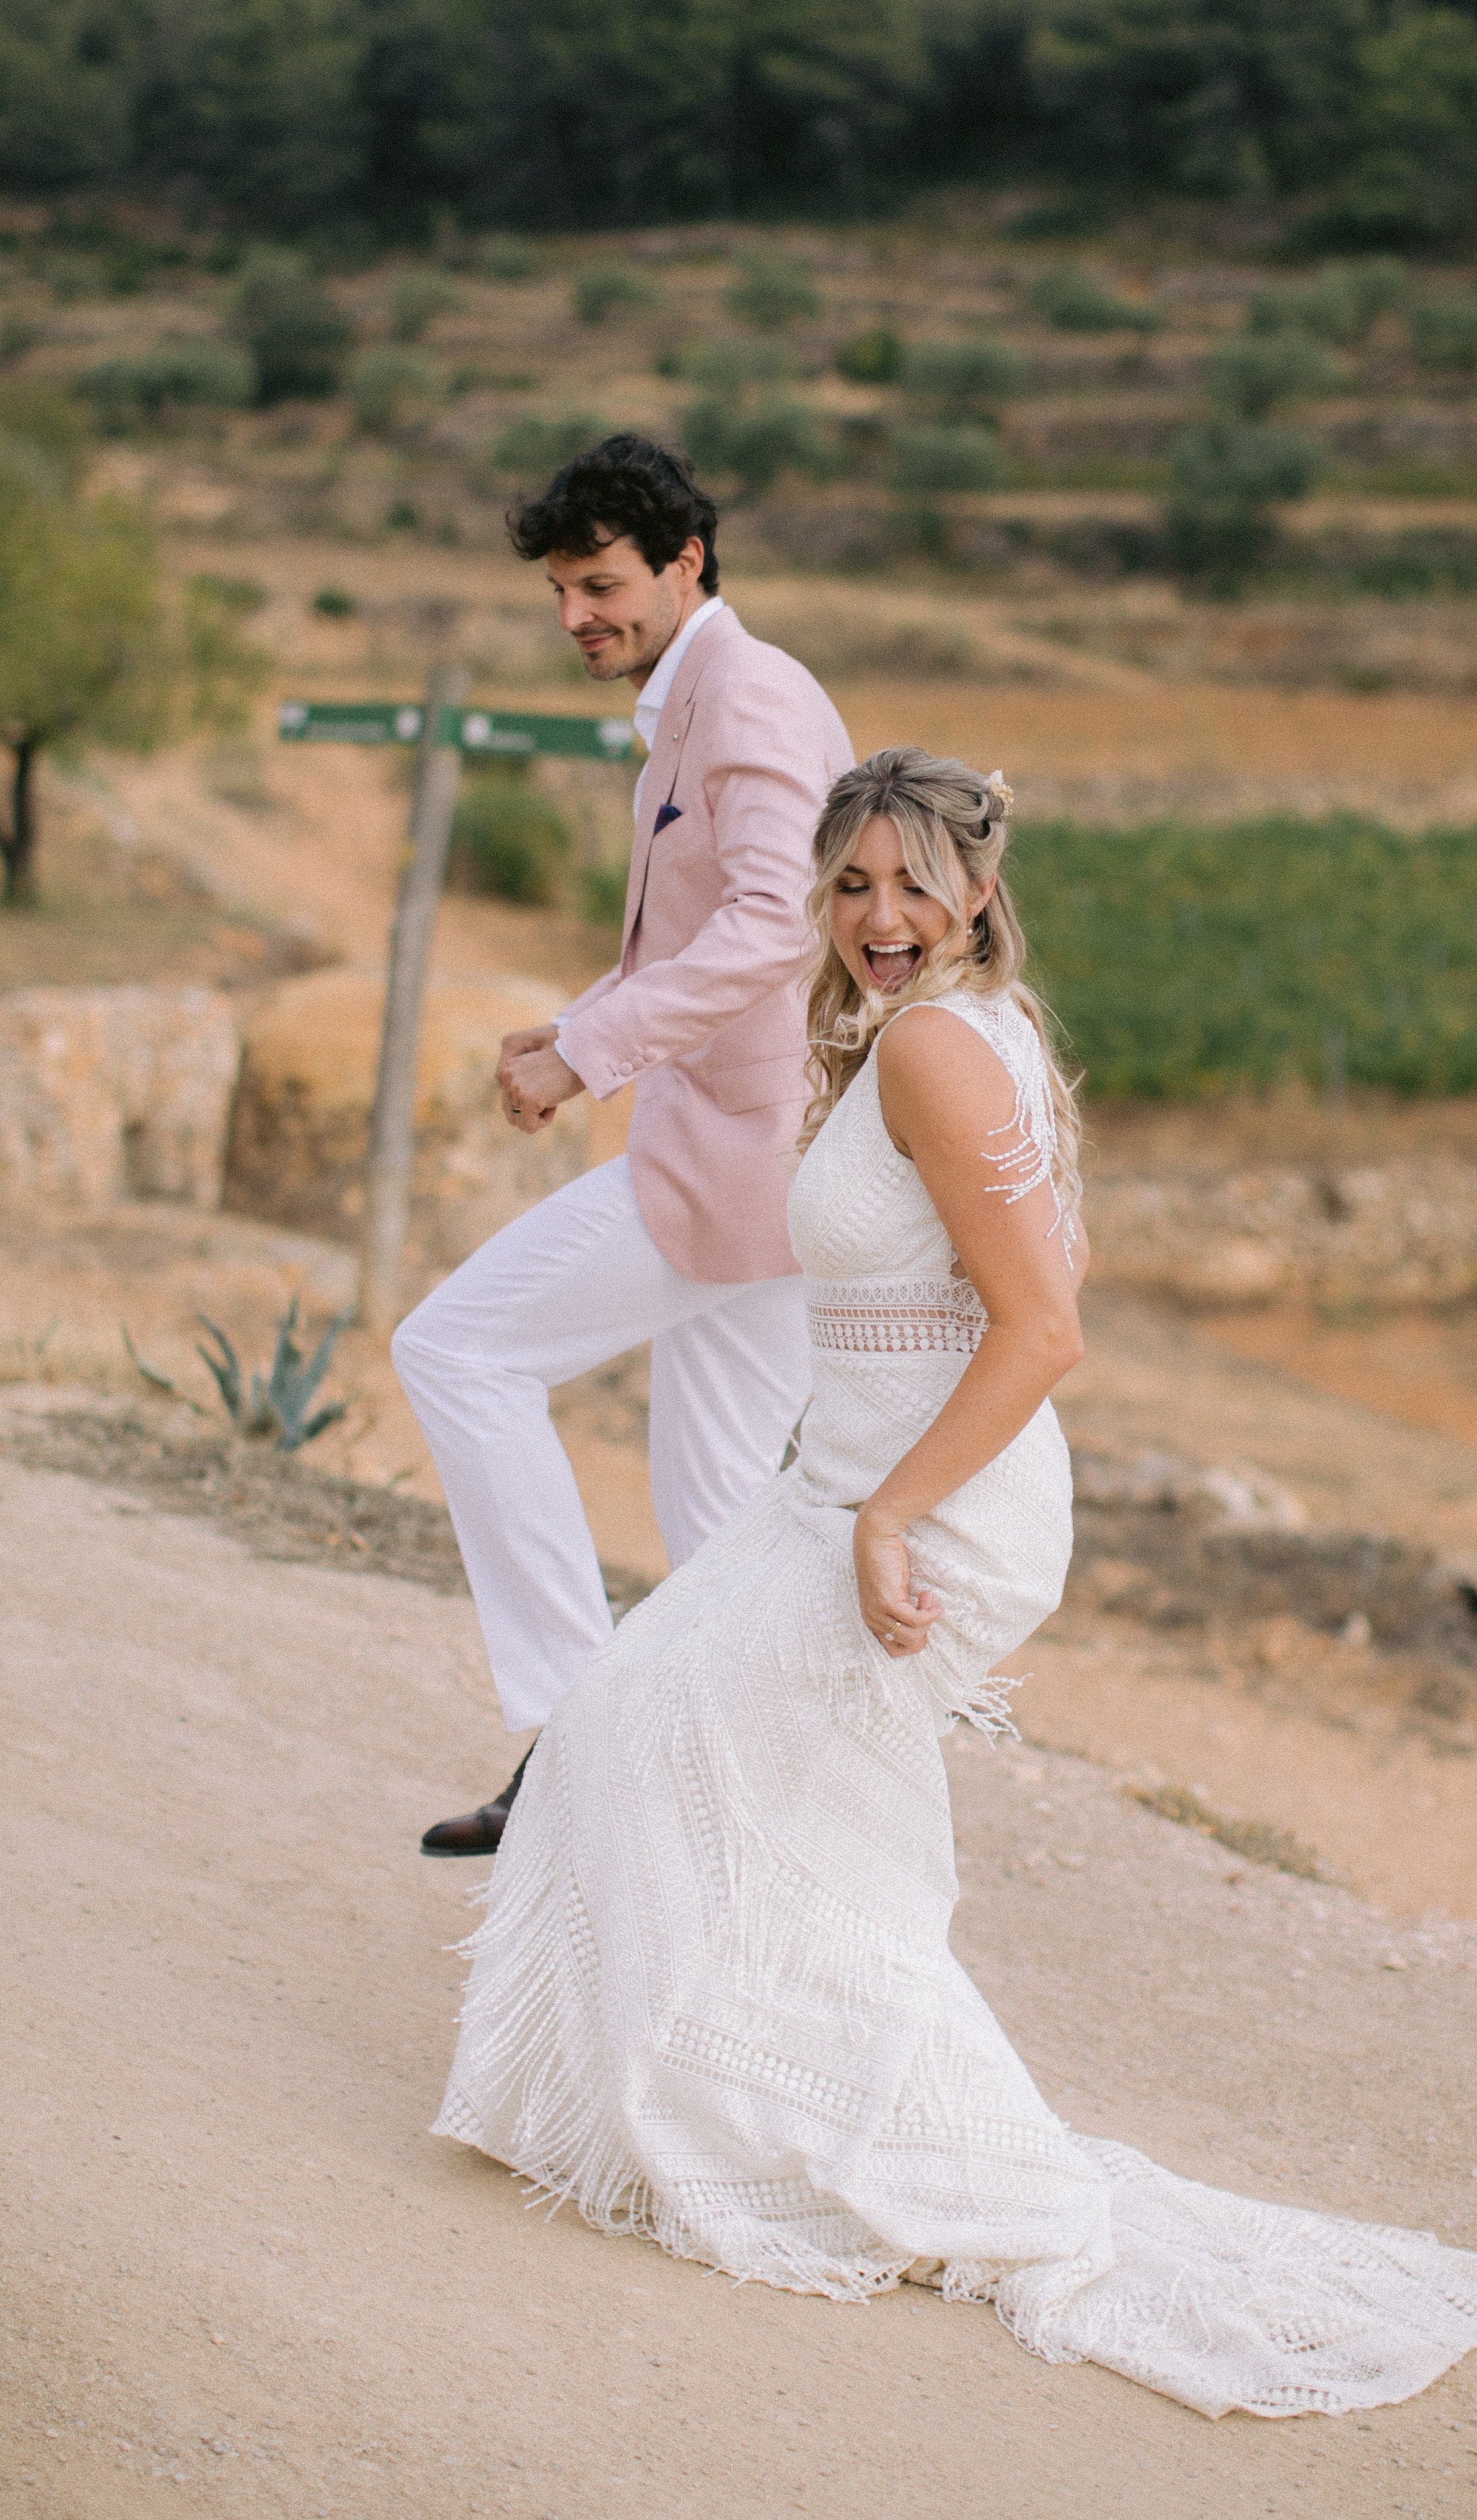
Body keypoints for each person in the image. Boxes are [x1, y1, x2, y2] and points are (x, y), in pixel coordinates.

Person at [434, 748, 1477, 2418]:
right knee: (639, 1733)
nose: (881, 917)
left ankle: (872, 2141)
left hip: (927, 1516)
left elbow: (1045, 1326)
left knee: (659, 1744)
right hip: (848, 1491)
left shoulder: (936, 1048)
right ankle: (745, 2104)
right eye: (851, 885)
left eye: (916, 885)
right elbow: (1003, 1273)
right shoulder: (937, 1030)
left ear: (980, 892)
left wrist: (888, 1517)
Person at [393, 435, 852, 1856]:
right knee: (719, 1518)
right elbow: (691, 938)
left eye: (600, 585)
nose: (575, 615)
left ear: (684, 564)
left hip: (738, 1157)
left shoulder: (747, 697)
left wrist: (590, 1055)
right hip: (771, 1167)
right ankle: (736, 1824)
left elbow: (773, 924)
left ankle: (577, 1738)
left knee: (457, 1353)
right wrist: (575, 1029)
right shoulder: (699, 700)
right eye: (559, 592)